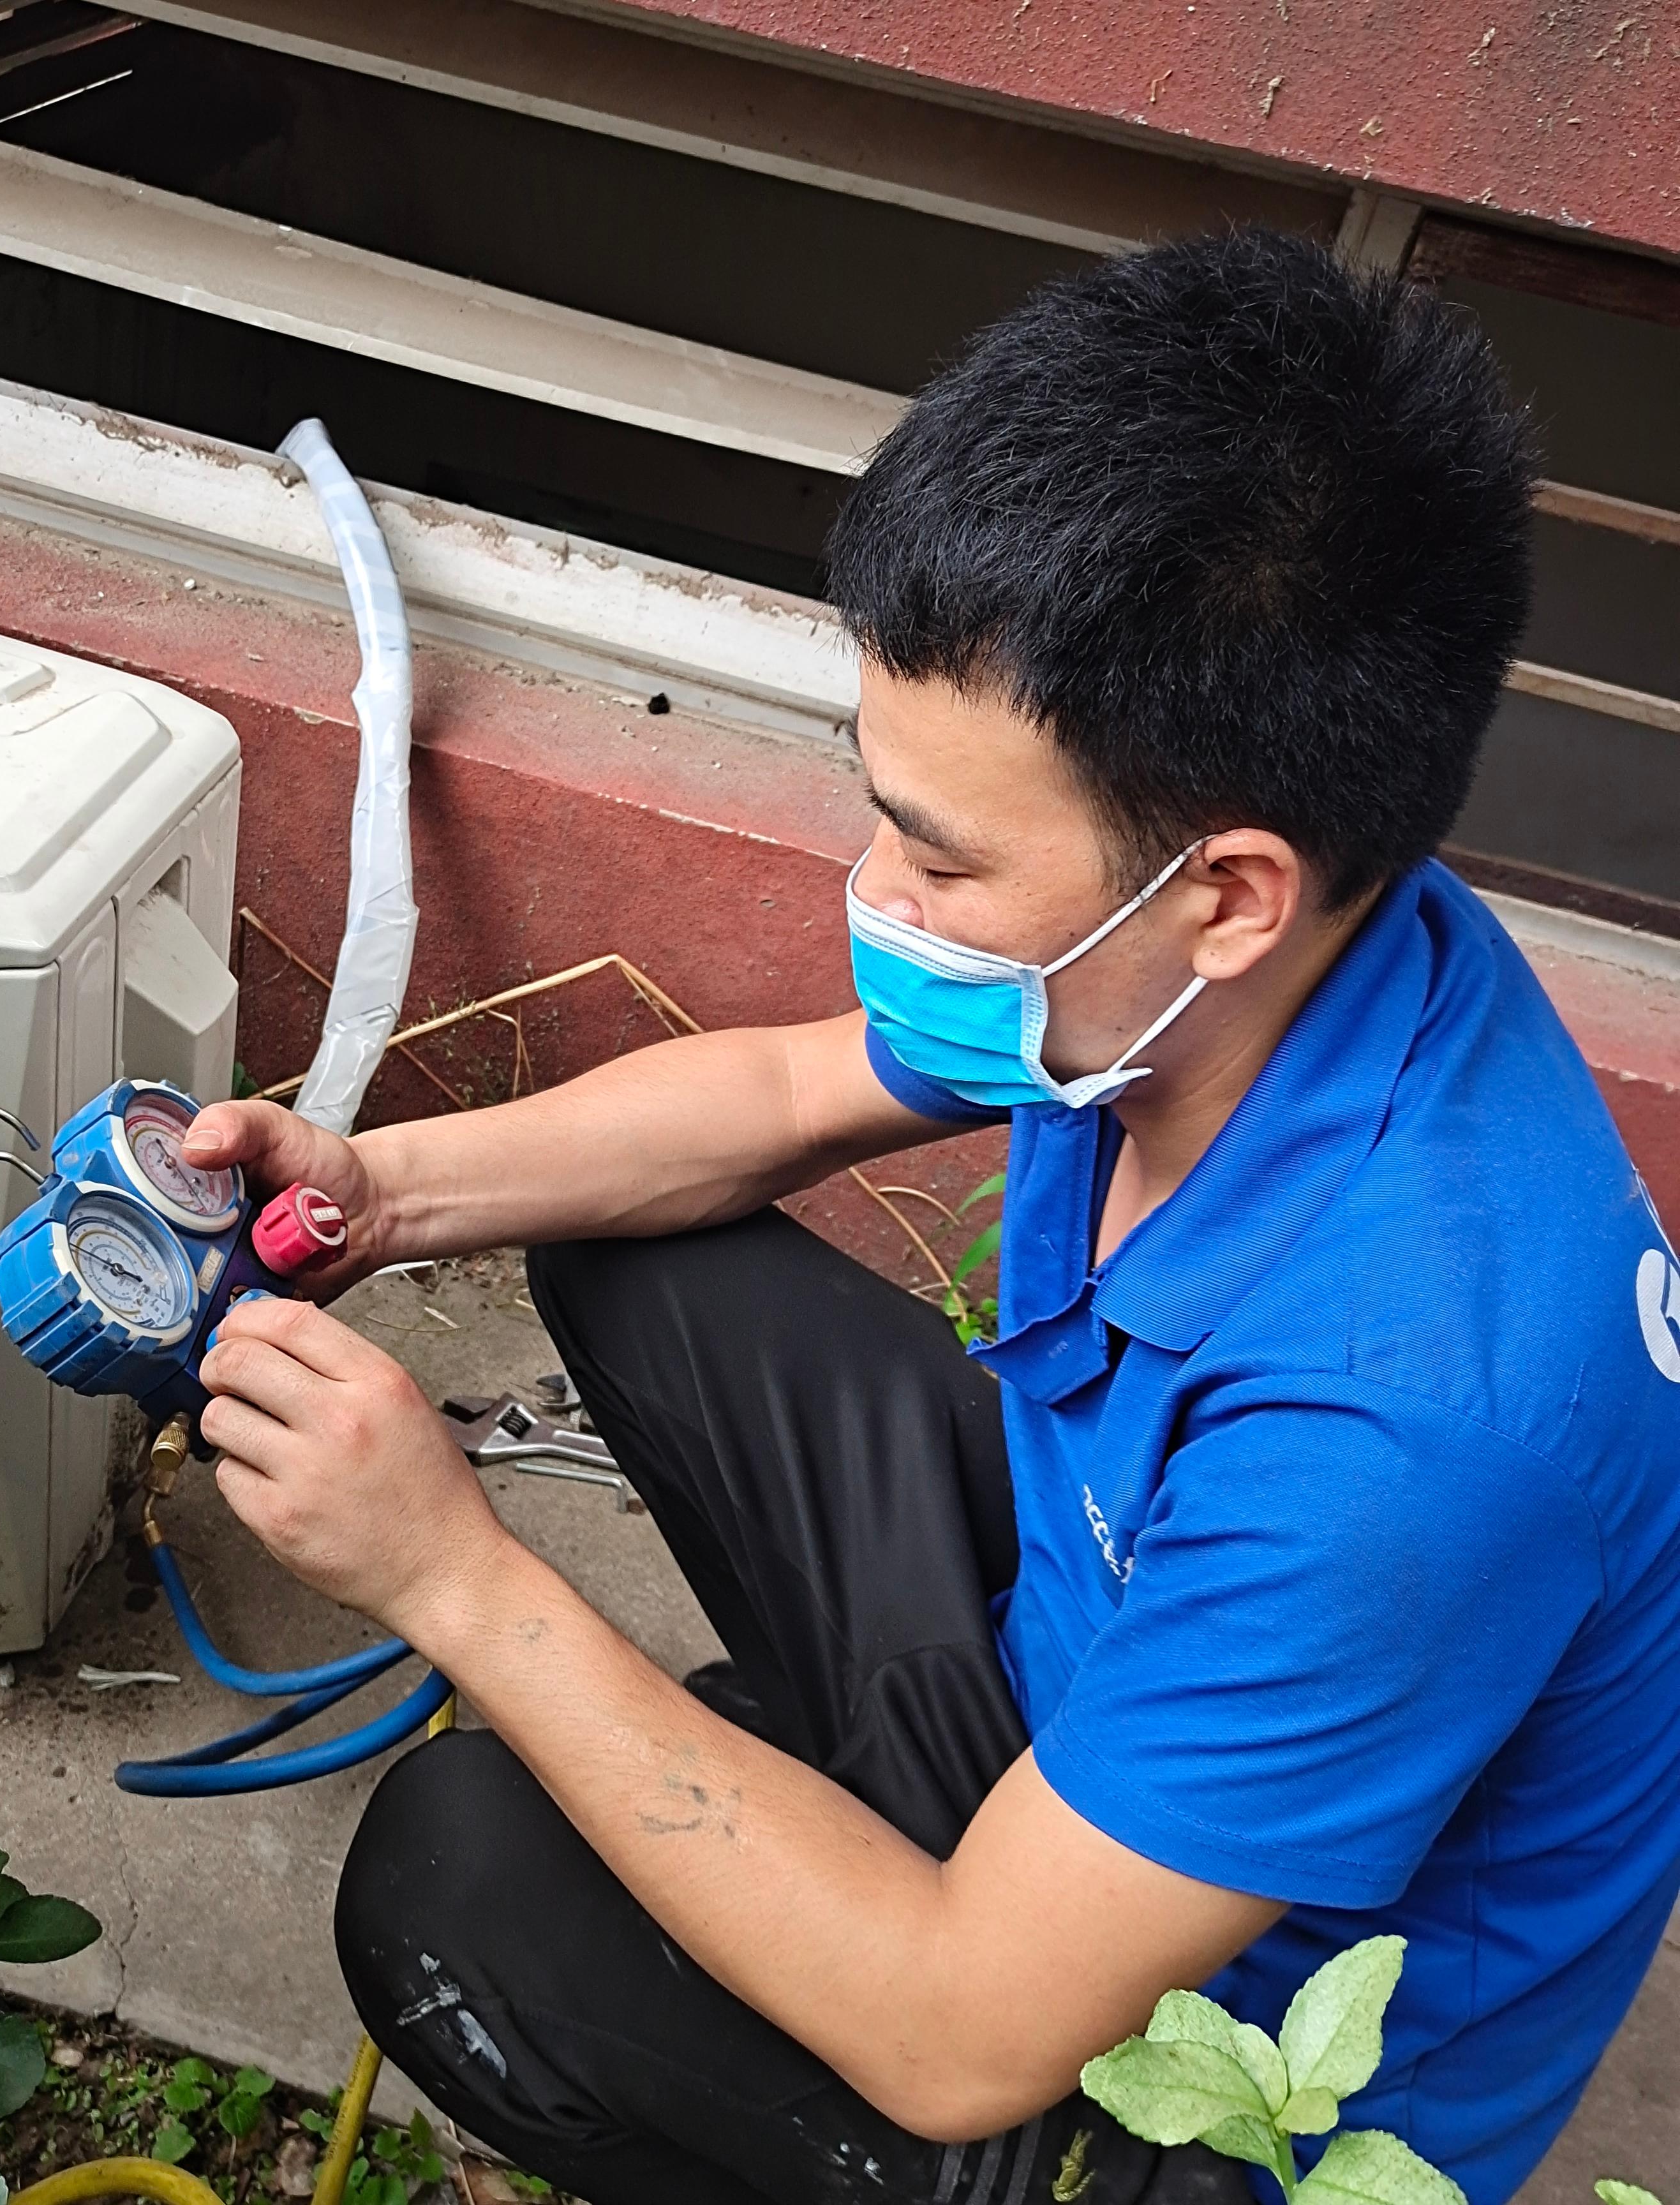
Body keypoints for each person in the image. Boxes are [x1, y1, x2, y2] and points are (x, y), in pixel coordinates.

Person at [178, 229, 1680, 2205]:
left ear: (1223, 890)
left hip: (1198, 2084)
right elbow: (792, 1091)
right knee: (654, 1259)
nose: (874, 885)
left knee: (461, 1886)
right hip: (1100, 1659)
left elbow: (968, 2037)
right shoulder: (1241, 975)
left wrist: (452, 1574)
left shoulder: (1407, 1429)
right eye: (877, 794)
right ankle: (853, 1816)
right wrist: (383, 1193)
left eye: (942, 854)